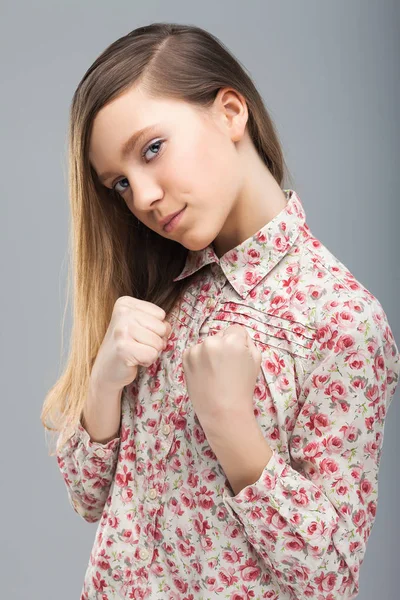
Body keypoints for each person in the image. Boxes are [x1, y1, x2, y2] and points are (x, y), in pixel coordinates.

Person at [41, 22, 400, 600]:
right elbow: (88, 498)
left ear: (231, 112)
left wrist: (234, 430)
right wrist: (105, 382)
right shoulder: (159, 292)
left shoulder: (340, 319)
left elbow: (331, 578)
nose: (144, 197)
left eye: (152, 150)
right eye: (120, 185)